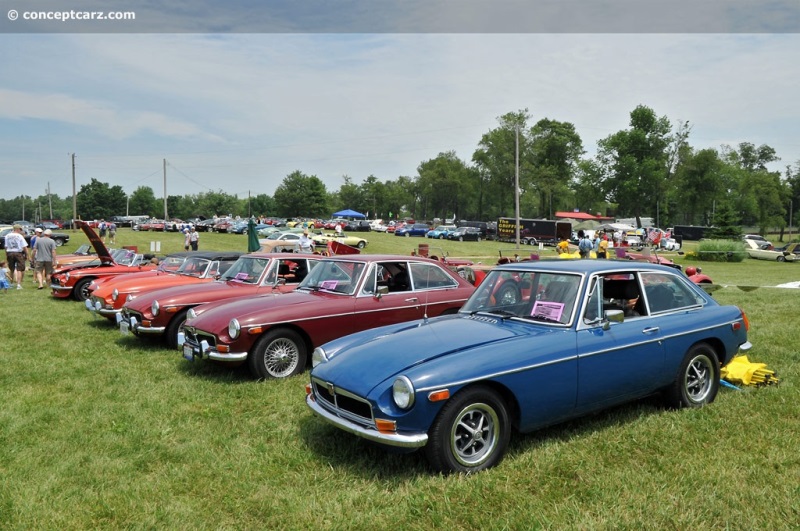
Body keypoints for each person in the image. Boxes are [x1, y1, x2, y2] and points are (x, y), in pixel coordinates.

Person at [4, 224, 29, 289]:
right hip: (18, 253)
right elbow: (24, 247)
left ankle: (11, 284)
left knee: (11, 269)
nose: (20, 231)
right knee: (19, 269)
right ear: (17, 229)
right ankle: (18, 285)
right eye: (20, 229)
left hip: (10, 252)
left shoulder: (7, 236)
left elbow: (6, 247)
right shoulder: (19, 236)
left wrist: (6, 254)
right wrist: (27, 255)